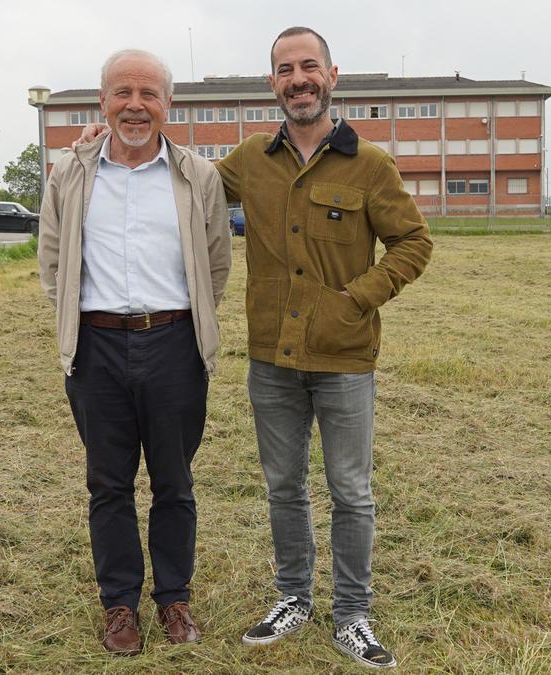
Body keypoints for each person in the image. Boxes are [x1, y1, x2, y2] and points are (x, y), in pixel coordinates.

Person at [76, 25, 432, 669]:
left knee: (351, 490)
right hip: (272, 358)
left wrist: (356, 298)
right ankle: (293, 596)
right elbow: (181, 179)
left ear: (331, 75)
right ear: (273, 83)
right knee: (283, 486)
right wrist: (102, 144)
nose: (299, 79)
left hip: (345, 356)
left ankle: (352, 612)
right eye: (285, 69)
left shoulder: (372, 165)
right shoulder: (248, 162)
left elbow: (414, 244)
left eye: (309, 67)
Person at [37, 48, 232, 656]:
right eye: (123, 93)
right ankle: (118, 605)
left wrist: (182, 323)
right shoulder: (69, 173)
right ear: (103, 102)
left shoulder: (198, 176)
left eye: (149, 94)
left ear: (167, 105)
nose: (135, 105)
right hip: (95, 350)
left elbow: (217, 262)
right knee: (109, 485)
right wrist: (79, 320)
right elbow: (51, 259)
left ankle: (174, 599)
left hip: (174, 346)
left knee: (174, 483)